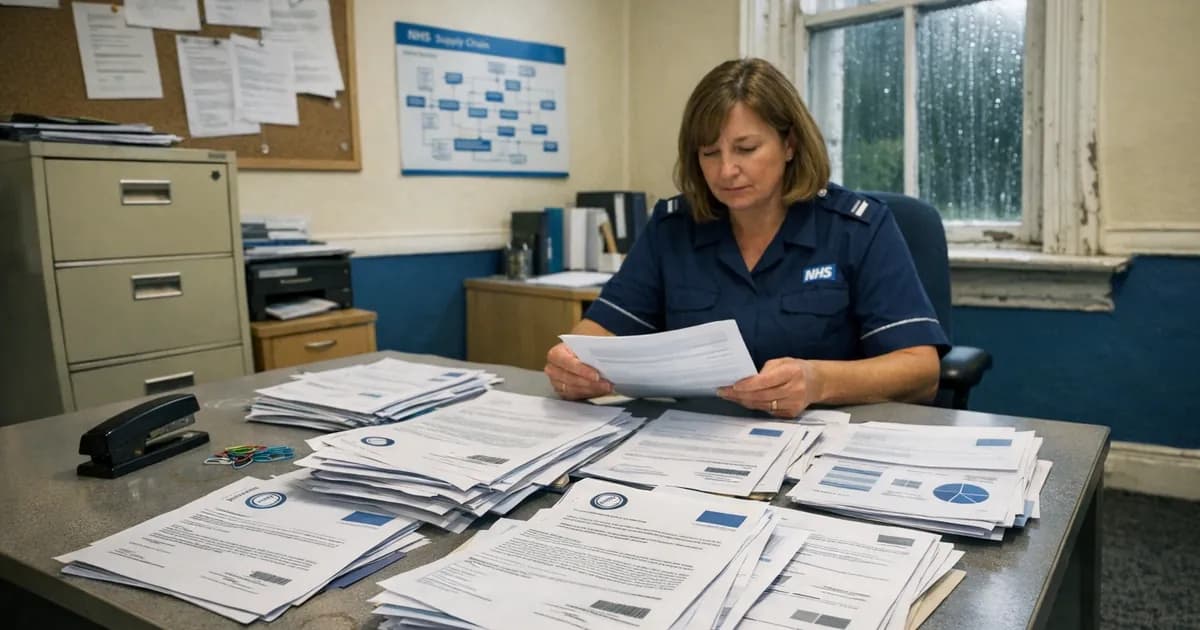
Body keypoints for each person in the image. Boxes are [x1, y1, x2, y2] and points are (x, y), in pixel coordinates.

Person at [544, 58, 949, 418]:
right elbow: (594, 335)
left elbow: (921, 369)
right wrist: (569, 364)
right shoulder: (673, 228)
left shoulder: (857, 227)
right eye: (710, 153)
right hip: (692, 441)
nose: (726, 171)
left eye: (746, 148)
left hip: (820, 441)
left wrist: (817, 380)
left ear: (789, 144)